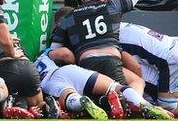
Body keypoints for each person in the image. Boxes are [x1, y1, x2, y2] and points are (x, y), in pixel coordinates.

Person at [34, 46, 170, 119]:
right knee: (116, 87)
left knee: (69, 95)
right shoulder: (44, 55)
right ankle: (143, 103)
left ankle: (80, 101)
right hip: (69, 71)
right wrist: (75, 64)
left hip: (49, 82)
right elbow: (65, 54)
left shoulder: (32, 66)